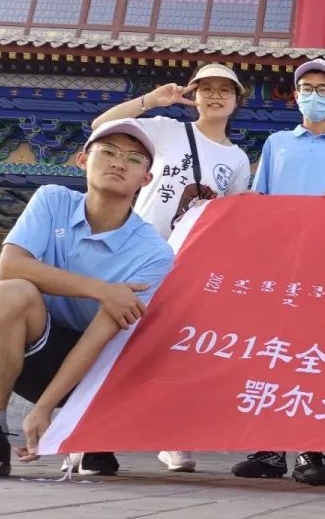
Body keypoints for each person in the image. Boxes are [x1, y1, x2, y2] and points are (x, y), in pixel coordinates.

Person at [0, 120, 174, 479]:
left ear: (146, 179)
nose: (118, 163)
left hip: (100, 376)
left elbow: (99, 336)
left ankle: (93, 433)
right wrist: (101, 289)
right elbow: (10, 266)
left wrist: (44, 410)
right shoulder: (52, 200)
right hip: (37, 353)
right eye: (108, 152)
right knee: (8, 293)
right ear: (82, 160)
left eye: (133, 159)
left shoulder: (154, 253)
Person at [90, 62, 251, 473]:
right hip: (140, 255)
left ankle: (172, 437)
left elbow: (231, 217)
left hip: (190, 267)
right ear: (193, 95)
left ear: (237, 100)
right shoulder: (167, 129)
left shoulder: (237, 158)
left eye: (225, 90)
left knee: (177, 351)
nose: (215, 96)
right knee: (114, 343)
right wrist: (150, 100)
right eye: (206, 88)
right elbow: (101, 127)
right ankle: (91, 439)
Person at [231, 58, 325, 486]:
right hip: (280, 263)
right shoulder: (277, 144)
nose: (314, 96)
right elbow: (261, 201)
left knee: (313, 357)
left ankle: (310, 449)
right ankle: (268, 449)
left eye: (323, 89)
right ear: (295, 96)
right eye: (306, 88)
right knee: (274, 353)